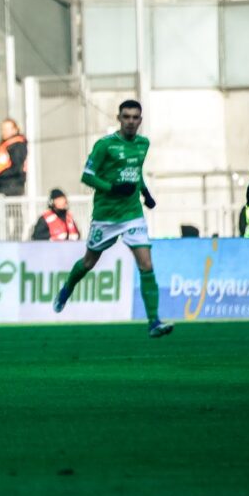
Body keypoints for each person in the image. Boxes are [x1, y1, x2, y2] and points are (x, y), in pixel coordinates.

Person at [54, 100, 172, 338]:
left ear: (140, 120)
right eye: (126, 117)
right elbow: (87, 176)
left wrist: (146, 194)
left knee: (146, 265)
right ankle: (68, 287)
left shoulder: (143, 144)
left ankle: (153, 321)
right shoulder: (105, 145)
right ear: (118, 119)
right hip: (106, 216)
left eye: (135, 117)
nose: (130, 121)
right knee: (88, 263)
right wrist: (112, 188)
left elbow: (136, 174)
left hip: (132, 215)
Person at [0, 117, 27, 195]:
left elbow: (16, 167)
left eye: (7, 129)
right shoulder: (5, 145)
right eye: (2, 129)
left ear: (15, 130)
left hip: (10, 187)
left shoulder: (17, 146)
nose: (4, 132)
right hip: (1, 187)